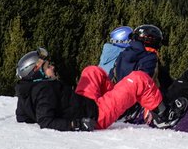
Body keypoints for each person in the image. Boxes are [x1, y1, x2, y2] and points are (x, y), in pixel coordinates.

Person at [14, 48, 172, 131]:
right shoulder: (45, 91)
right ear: (37, 72)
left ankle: (123, 105)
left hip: (83, 103)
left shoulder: (27, 90)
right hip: (97, 114)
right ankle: (164, 115)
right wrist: (75, 124)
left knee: (92, 71)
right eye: (48, 67)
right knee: (139, 79)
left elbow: (22, 116)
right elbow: (45, 121)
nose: (53, 67)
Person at [111, 23, 171, 90]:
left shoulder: (124, 53)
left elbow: (112, 75)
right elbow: (145, 82)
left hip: (116, 93)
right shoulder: (150, 58)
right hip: (138, 97)